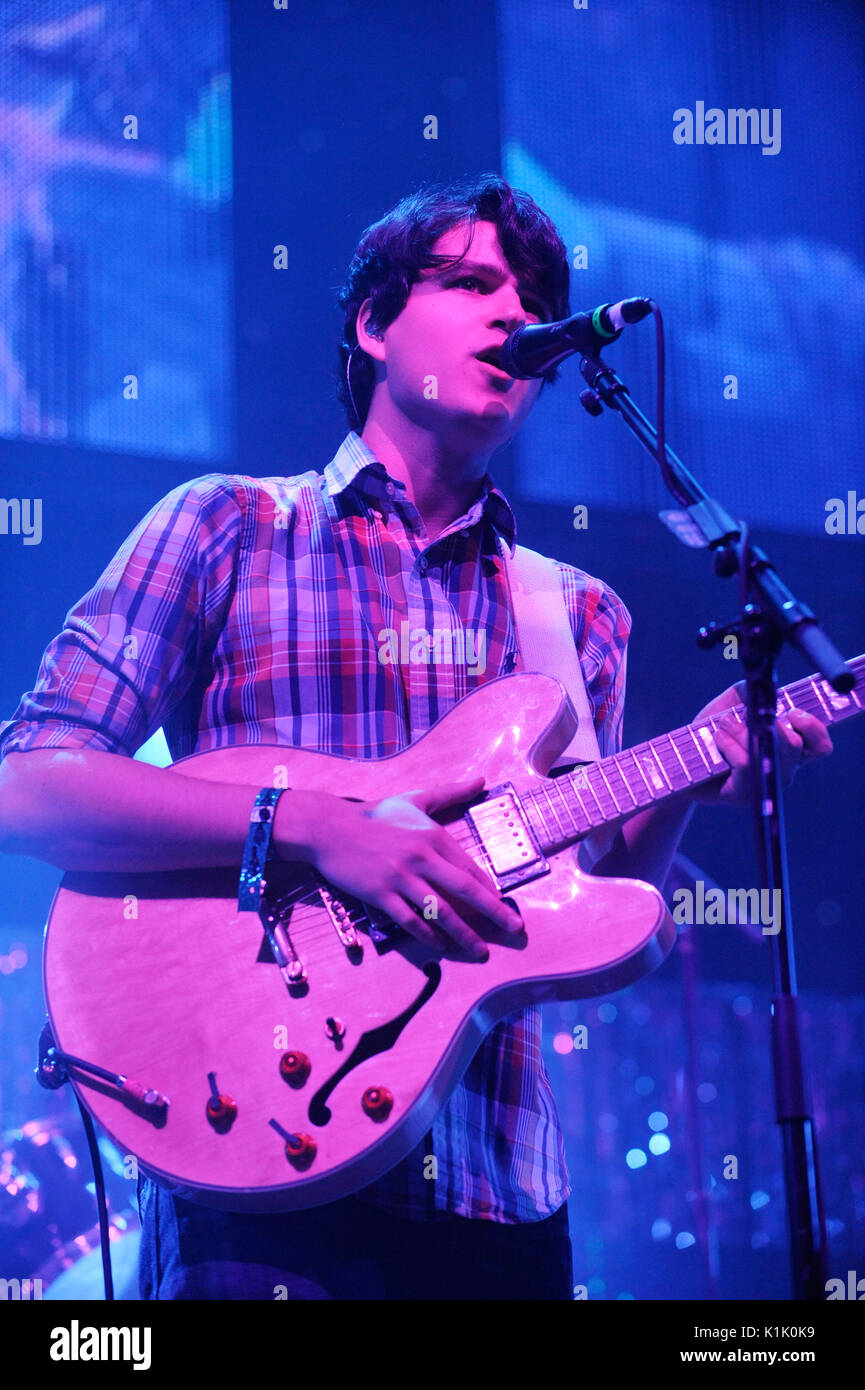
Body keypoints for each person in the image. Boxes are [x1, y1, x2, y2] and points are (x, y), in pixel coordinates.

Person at [0, 174, 832, 1301]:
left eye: (531, 291)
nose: (511, 311)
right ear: (373, 324)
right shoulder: (230, 528)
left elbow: (586, 919)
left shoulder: (574, 613)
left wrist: (686, 771)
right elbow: (32, 785)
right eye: (469, 281)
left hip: (499, 1194)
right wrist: (319, 830)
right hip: (251, 1162)